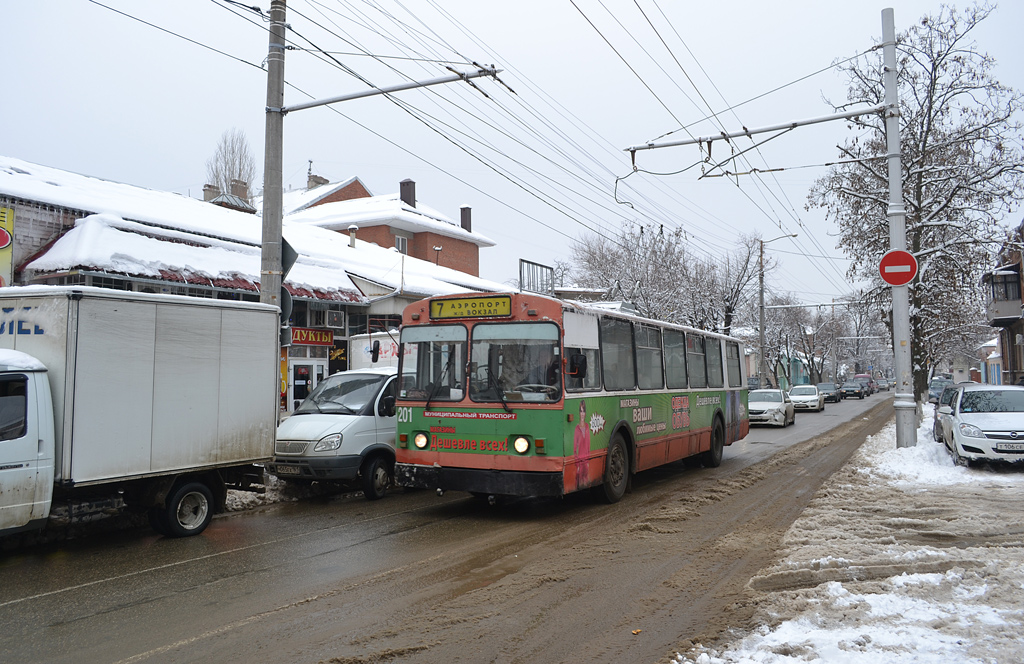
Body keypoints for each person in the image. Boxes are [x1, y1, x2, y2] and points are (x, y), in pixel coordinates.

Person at [574, 400, 591, 488]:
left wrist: (588, 462)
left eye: (583, 411)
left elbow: (588, 446)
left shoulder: (587, 427)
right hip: (580, 464)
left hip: (586, 463)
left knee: (586, 482)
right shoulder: (577, 429)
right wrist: (577, 465)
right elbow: (574, 450)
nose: (582, 413)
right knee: (580, 484)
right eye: (581, 411)